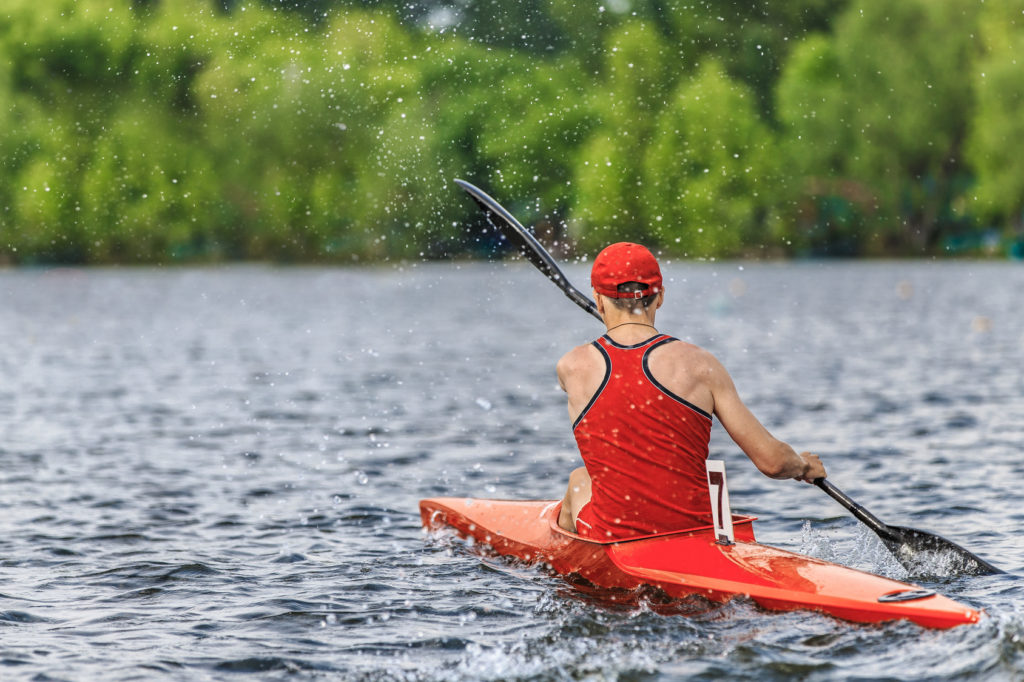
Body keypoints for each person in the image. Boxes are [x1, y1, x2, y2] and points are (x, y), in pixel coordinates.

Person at [556, 242, 826, 539]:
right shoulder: (701, 365)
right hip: (697, 535)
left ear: (597, 299)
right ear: (659, 297)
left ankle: (568, 558)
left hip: (619, 541)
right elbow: (773, 462)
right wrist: (802, 466)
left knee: (580, 480)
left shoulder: (571, 367)